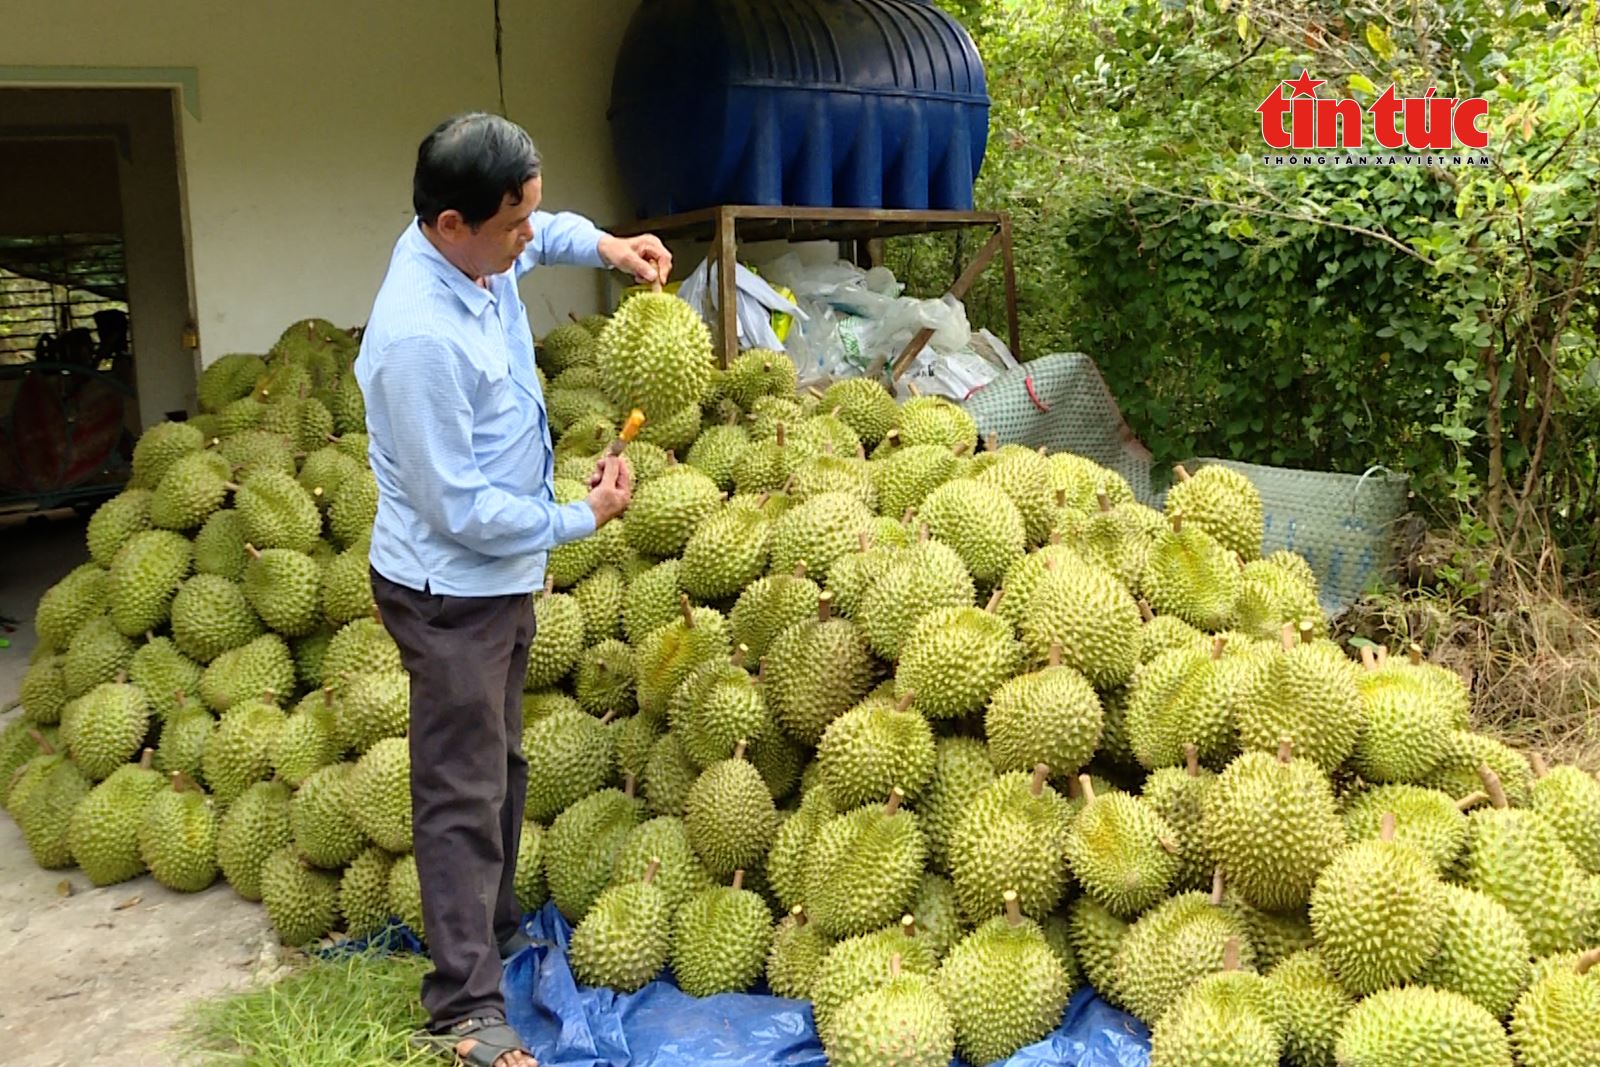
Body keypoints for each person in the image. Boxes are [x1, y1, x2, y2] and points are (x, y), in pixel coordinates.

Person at [355, 111, 670, 1067]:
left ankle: (487, 934)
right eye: (515, 221)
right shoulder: (416, 338)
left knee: (502, 768)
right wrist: (584, 519)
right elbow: (459, 510)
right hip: (451, 586)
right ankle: (462, 1005)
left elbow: (550, 235)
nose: (530, 236)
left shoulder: (481, 258)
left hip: (502, 580)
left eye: (530, 215)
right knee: (459, 790)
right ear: (452, 224)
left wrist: (609, 245)